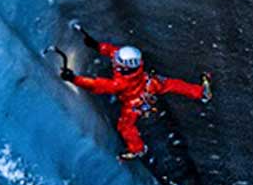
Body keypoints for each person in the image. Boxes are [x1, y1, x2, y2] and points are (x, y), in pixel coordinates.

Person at [59, 26, 211, 160]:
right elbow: (113, 51)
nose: (115, 59)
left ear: (125, 66)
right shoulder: (132, 65)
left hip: (135, 99)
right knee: (173, 84)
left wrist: (74, 79)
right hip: (149, 83)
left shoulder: (121, 83)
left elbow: (97, 85)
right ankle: (201, 92)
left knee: (125, 126)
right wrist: (97, 46)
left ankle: (137, 148)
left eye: (119, 61)